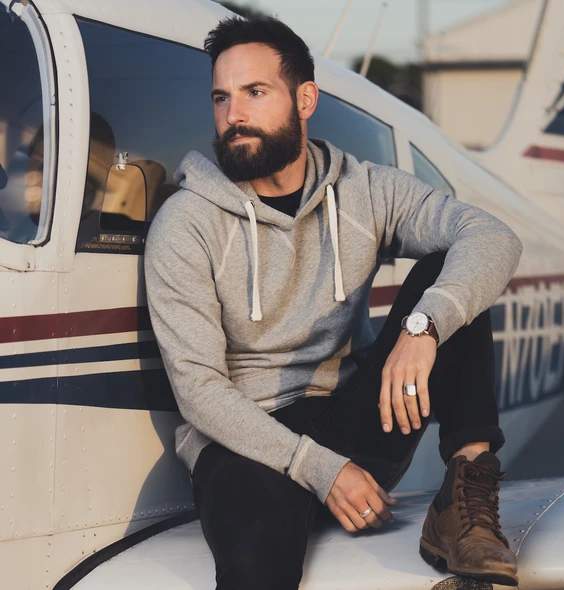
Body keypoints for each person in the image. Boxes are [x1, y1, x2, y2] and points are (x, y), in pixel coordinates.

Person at [145, 15, 523, 589]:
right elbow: (199, 390)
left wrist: (423, 328)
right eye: (221, 97)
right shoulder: (187, 222)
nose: (232, 114)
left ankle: (464, 505)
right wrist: (320, 469)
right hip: (246, 444)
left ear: (305, 99)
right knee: (255, 568)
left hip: (353, 417)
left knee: (449, 273)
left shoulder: (364, 189)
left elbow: (493, 237)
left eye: (254, 92)